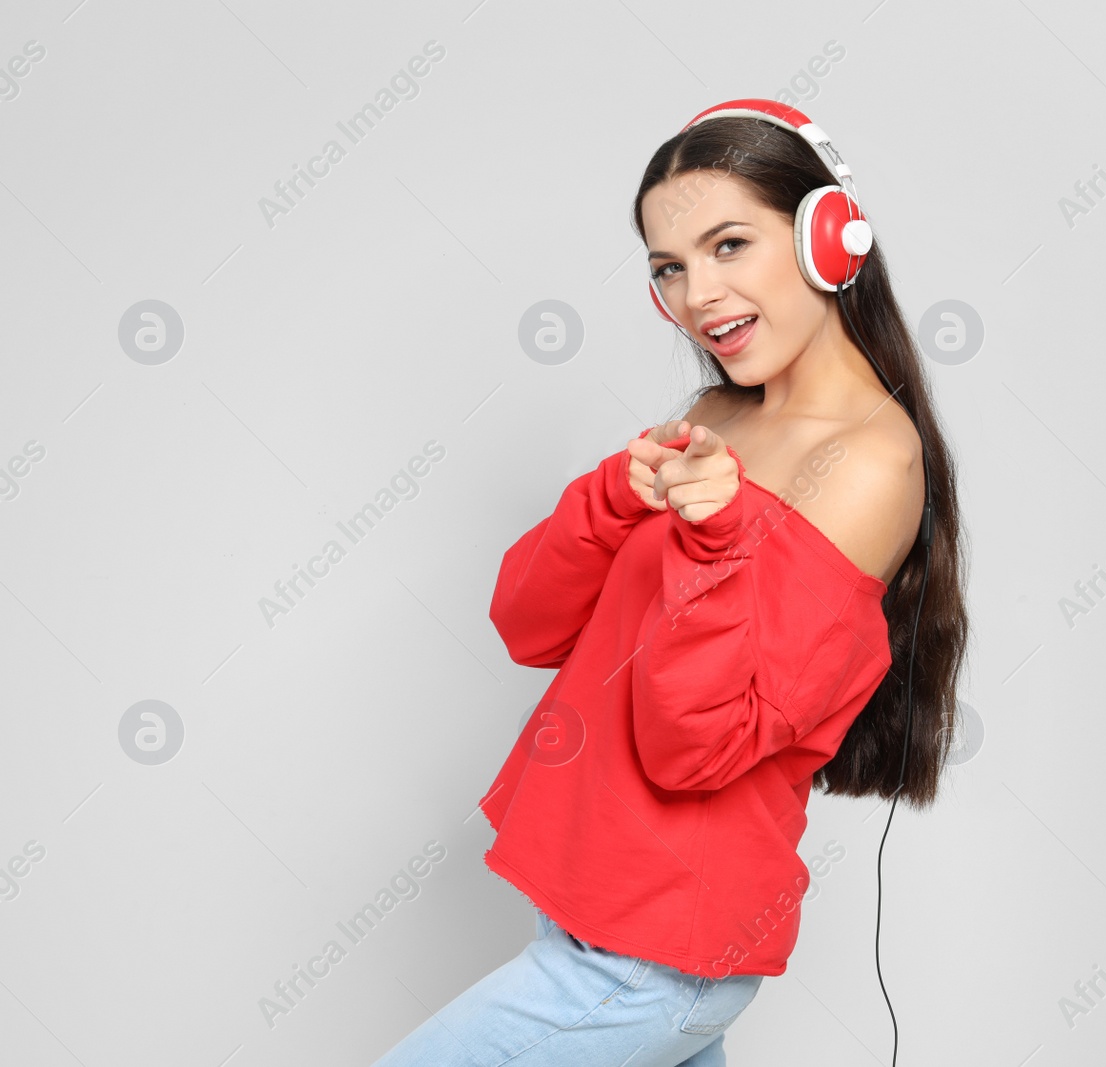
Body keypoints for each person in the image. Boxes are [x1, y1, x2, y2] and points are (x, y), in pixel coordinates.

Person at [370, 101, 969, 1067]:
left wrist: (711, 540)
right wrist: (610, 497)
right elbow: (530, 624)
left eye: (729, 244)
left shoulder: (869, 464)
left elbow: (694, 746)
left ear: (828, 236)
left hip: (654, 951)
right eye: (669, 267)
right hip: (595, 912)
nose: (699, 294)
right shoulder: (713, 413)